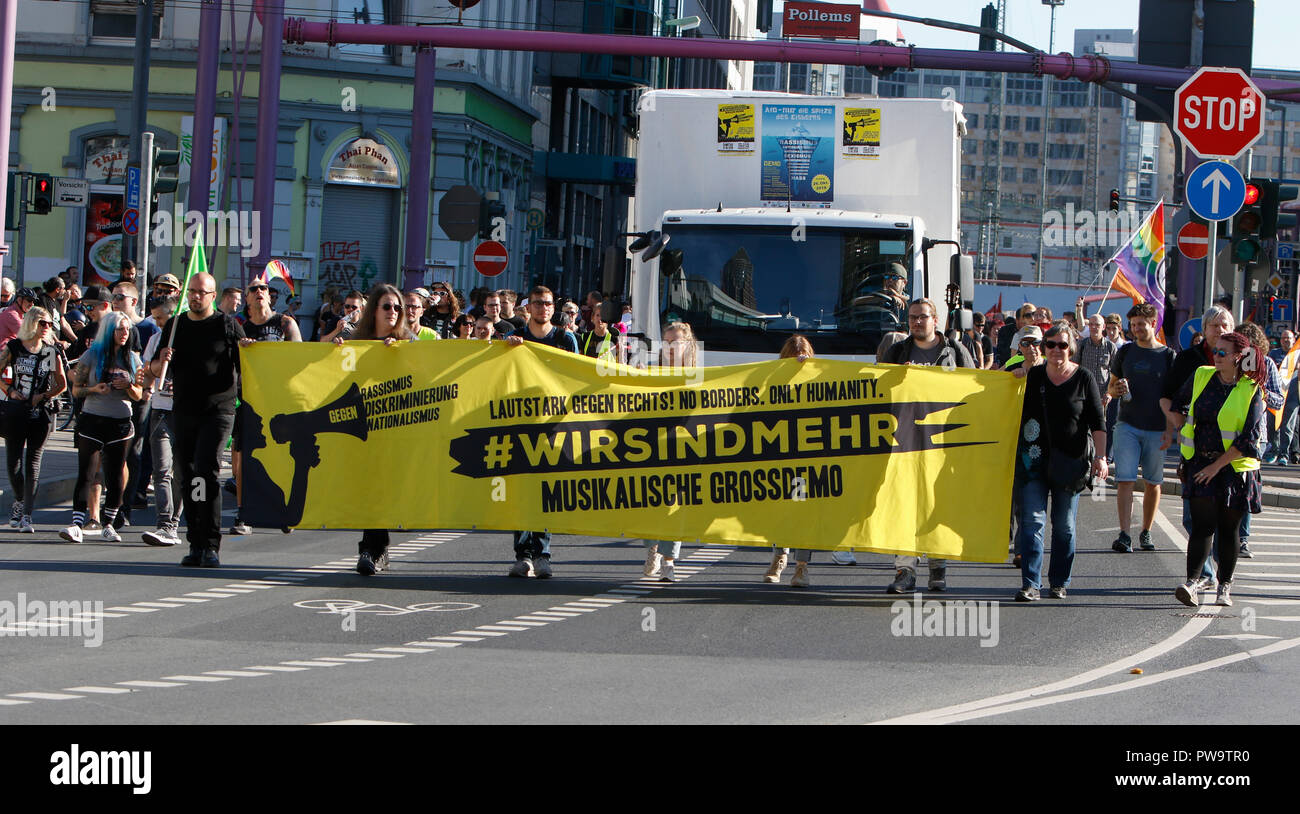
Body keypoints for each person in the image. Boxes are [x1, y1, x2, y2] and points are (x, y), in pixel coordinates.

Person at [880, 298, 976, 592]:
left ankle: (938, 565)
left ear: (936, 320)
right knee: (905, 506)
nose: (917, 322)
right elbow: (877, 391)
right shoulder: (897, 352)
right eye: (912, 318)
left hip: (943, 444)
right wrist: (898, 378)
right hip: (905, 444)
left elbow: (976, 386)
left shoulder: (955, 351)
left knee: (938, 506)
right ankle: (905, 570)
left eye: (923, 317)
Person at [1165, 332, 1266, 608]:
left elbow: (1249, 438)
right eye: (1215, 351)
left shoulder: (1251, 388)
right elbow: (1178, 404)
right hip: (1200, 463)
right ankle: (1192, 582)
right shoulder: (1202, 375)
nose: (1216, 356)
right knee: (1202, 526)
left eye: (1223, 353)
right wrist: (1183, 429)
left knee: (1228, 528)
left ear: (1238, 357)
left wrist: (1216, 466)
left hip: (1234, 468)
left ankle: (1225, 584)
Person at [152, 272, 246, 567]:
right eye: (191, 291)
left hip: (218, 410)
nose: (194, 296)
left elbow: (249, 364)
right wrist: (161, 360)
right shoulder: (176, 325)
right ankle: (195, 541)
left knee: (206, 472)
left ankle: (211, 544)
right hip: (184, 410)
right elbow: (155, 369)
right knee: (189, 475)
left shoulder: (227, 325)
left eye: (200, 292)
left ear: (212, 296)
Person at [1010, 324, 1107, 600]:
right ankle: (1031, 583)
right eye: (1050, 344)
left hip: (1071, 463)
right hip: (1034, 461)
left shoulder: (1084, 378)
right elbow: (1000, 397)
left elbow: (1098, 421)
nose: (1055, 350)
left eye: (1062, 345)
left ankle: (1059, 580)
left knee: (1063, 525)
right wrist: (1013, 377)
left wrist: (1101, 457)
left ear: (1071, 347)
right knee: (1032, 521)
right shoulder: (1034, 375)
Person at [504, 286, 579, 578]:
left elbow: (576, 374)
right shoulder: (515, 339)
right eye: (537, 303)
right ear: (529, 306)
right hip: (521, 424)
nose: (543, 308)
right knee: (522, 491)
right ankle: (523, 556)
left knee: (544, 491)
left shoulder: (564, 338)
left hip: (553, 424)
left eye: (547, 304)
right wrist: (507, 350)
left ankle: (543, 554)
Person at [343, 284, 416, 576]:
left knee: (385, 488)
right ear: (374, 309)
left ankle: (375, 548)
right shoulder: (356, 341)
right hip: (364, 429)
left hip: (398, 429)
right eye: (387, 306)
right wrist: (337, 355)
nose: (394, 312)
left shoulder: (409, 342)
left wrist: (401, 354)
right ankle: (373, 548)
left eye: (398, 307)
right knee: (370, 487)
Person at [59, 312, 144, 543]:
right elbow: (77, 390)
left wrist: (128, 385)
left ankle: (109, 522)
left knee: (116, 473)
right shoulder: (91, 355)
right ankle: (77, 523)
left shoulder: (133, 359)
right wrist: (96, 390)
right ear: (109, 331)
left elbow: (139, 395)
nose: (125, 334)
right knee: (87, 470)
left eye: (127, 329)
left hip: (121, 422)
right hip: (93, 418)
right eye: (120, 329)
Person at [228, 277, 303, 535]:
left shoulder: (284, 323)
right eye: (254, 289)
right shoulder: (238, 326)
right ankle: (244, 514)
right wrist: (241, 347)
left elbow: (300, 357)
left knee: (280, 457)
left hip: (278, 401)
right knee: (240, 462)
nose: (260, 292)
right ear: (246, 298)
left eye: (264, 289)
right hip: (247, 402)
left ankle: (282, 511)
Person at [1108, 302, 1176, 554]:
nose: (1136, 329)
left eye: (1140, 324)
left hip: (1157, 428)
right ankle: (1124, 534)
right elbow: (1111, 389)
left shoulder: (1168, 356)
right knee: (1125, 479)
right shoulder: (1125, 353)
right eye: (1133, 325)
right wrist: (1116, 390)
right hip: (1127, 424)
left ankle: (1146, 531)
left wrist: (1171, 431)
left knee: (1153, 482)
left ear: (1153, 324)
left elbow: (1172, 398)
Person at [759, 334, 822, 586]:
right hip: (779, 458)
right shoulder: (770, 381)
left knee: (802, 512)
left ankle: (802, 567)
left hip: (804, 461)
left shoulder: (818, 382)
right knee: (779, 512)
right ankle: (779, 558)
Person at [642, 322, 701, 583]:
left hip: (683, 450)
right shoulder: (651, 374)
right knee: (652, 504)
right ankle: (653, 548)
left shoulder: (698, 377)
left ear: (688, 345)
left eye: (676, 343)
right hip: (652, 448)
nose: (671, 348)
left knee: (675, 506)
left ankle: (669, 560)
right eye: (666, 343)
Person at [1, 308, 67, 531]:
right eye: (43, 323)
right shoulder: (15, 347)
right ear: (32, 323)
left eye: (49, 324)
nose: (47, 327)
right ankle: (20, 500)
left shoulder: (49, 351)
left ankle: (27, 514)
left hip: (40, 413)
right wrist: (9, 391)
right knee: (13, 463)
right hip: (16, 411)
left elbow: (61, 384)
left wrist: (45, 395)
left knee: (33, 463)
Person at [139, 295, 182, 546]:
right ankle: (164, 524)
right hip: (161, 410)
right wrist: (157, 364)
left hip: (186, 412)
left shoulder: (188, 339)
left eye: (162, 318)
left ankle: (175, 523)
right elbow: (147, 374)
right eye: (155, 318)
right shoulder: (156, 339)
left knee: (181, 474)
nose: (158, 323)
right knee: (162, 470)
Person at [996, 302, 1036, 367]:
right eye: (1028, 315)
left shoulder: (1045, 332)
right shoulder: (1017, 336)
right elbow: (1012, 361)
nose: (1032, 317)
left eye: (1034, 314)